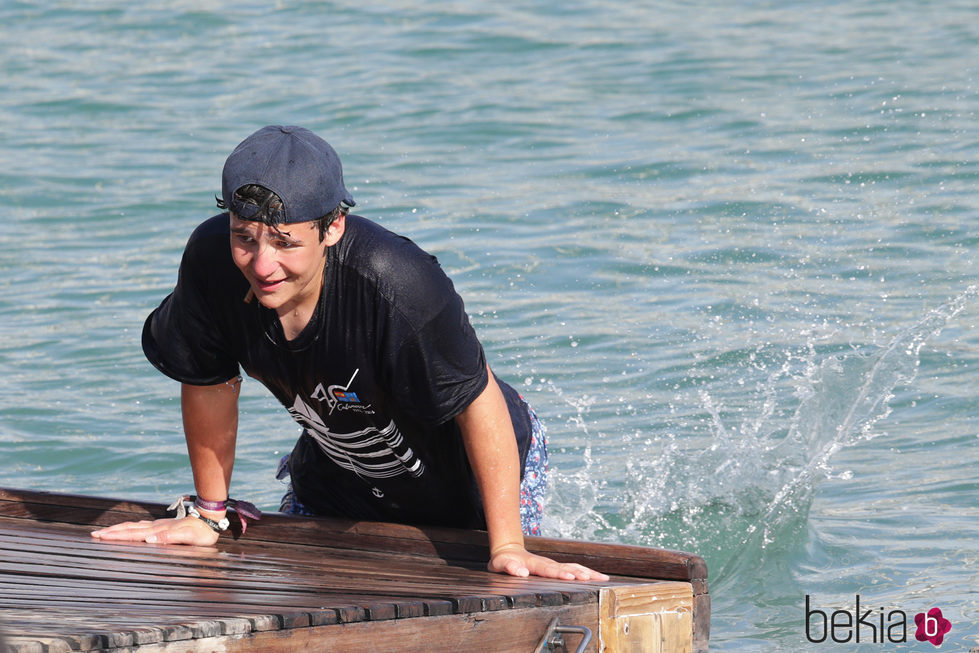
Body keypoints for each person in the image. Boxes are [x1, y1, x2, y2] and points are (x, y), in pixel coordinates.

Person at [92, 125, 607, 581]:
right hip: (340, 471)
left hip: (476, 471)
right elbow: (208, 380)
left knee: (492, 584)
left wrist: (508, 545)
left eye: (284, 242)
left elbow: (479, 402)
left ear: (333, 227)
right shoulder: (212, 263)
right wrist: (208, 513)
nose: (262, 264)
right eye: (244, 238)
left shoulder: (398, 285)